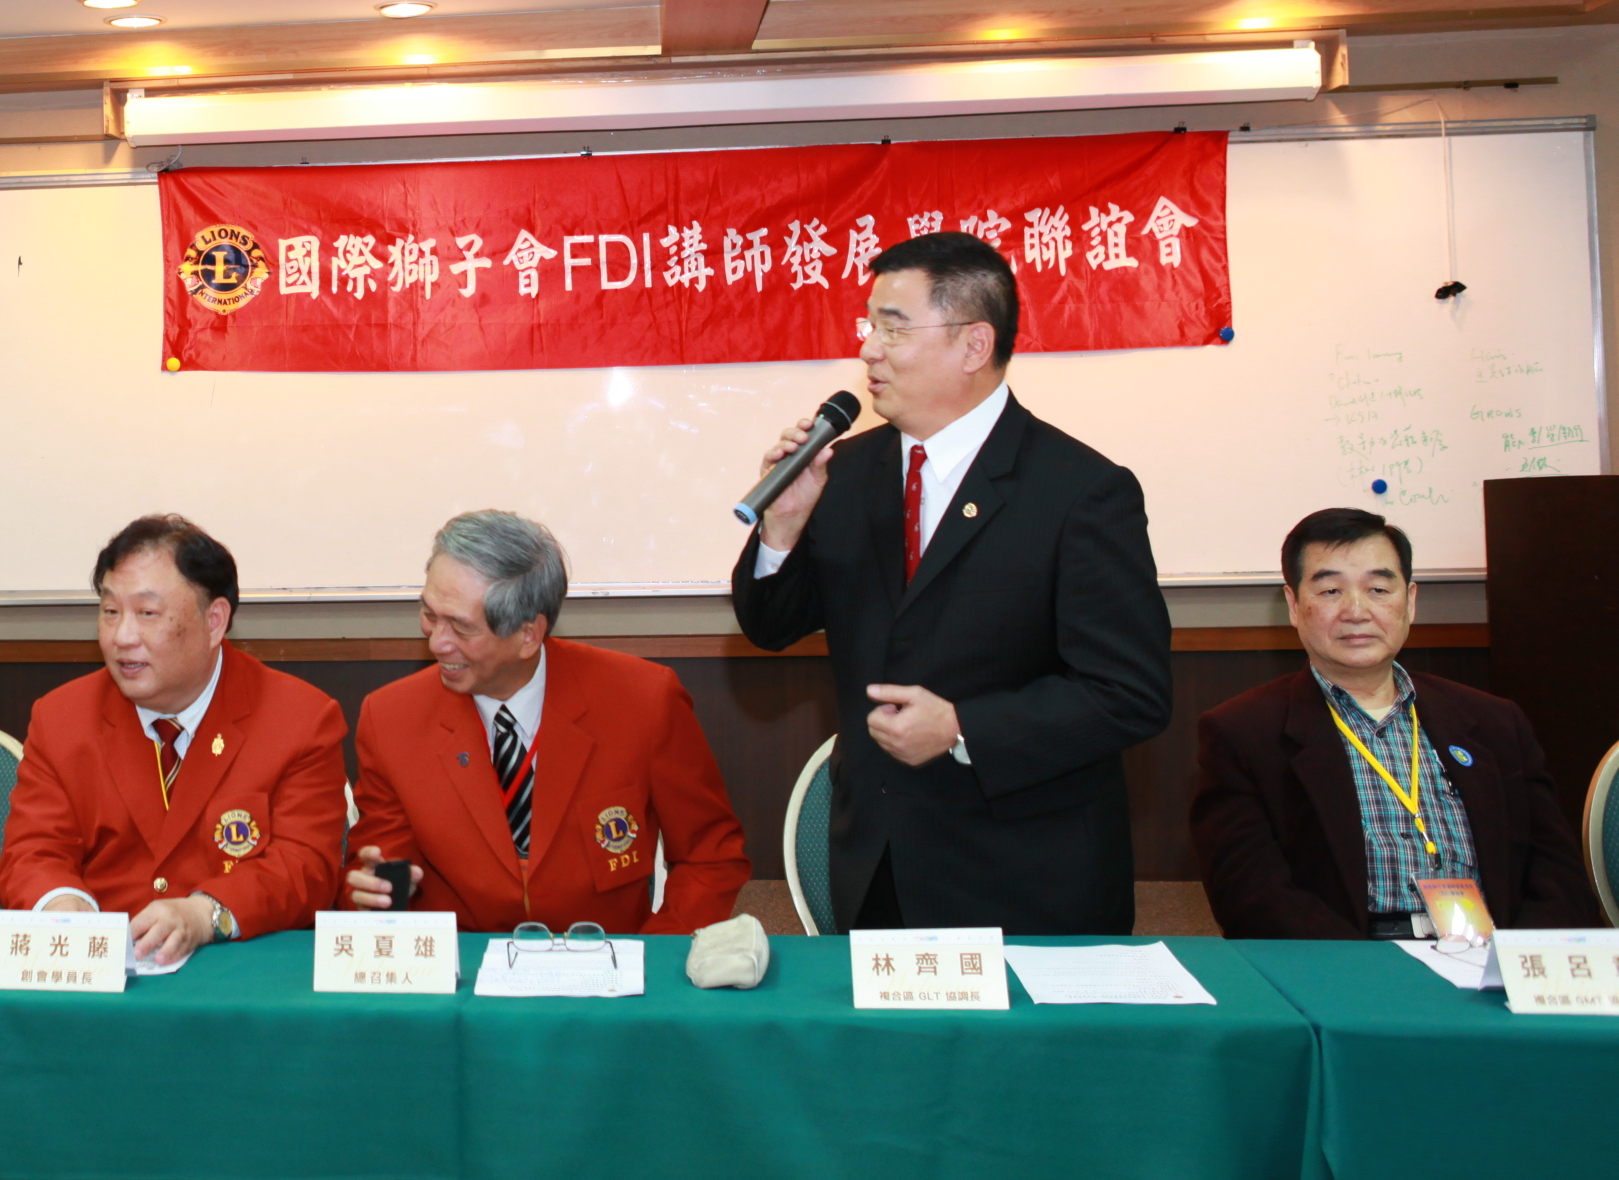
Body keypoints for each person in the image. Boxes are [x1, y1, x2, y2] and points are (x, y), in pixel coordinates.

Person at [731, 231, 1171, 934]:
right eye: (869, 326)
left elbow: (1131, 694)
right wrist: (781, 527)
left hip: (1027, 874)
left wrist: (965, 727)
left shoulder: (1081, 491)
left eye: (892, 328)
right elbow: (771, 626)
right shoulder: (845, 472)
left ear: (973, 344)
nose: (868, 350)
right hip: (878, 866)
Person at [1191, 507, 1597, 939]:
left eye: (1378, 589)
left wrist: (1514, 961)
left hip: (1492, 953)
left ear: (1410, 600)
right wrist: (1366, 971)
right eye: (1330, 591)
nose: (1356, 611)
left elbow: (1557, 873)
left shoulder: (1494, 721)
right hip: (1352, 961)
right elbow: (1252, 898)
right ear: (1294, 605)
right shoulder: (1243, 733)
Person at [344, 510, 749, 932]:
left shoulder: (644, 700)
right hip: (463, 961)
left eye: (461, 627)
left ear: (528, 635)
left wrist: (656, 956)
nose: (437, 643)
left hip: (604, 957)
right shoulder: (391, 717)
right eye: (430, 614)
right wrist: (376, 893)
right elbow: (377, 868)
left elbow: (711, 856)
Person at [0, 514, 348, 963]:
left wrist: (204, 915)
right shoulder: (61, 718)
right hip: (103, 972)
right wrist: (62, 905)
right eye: (110, 612)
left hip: (236, 968)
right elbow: (32, 851)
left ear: (214, 621)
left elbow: (304, 868)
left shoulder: (300, 719)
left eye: (147, 614)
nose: (122, 637)